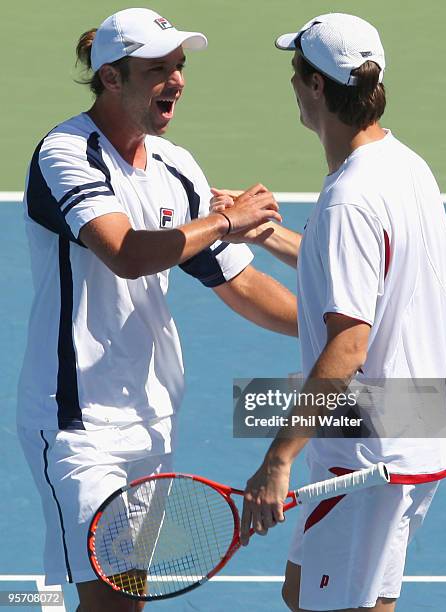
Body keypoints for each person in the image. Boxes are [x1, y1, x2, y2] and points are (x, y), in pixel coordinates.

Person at [16, 8, 298, 611]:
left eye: (179, 66)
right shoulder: (65, 153)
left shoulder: (176, 167)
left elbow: (236, 280)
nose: (176, 81)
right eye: (157, 70)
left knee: (129, 600)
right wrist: (226, 219)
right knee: (112, 602)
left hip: (152, 416)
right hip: (78, 423)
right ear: (111, 79)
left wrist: (335, 334)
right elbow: (125, 253)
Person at [213, 13, 446, 612]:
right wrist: (268, 233)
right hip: (416, 431)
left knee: (325, 603)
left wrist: (279, 457)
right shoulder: (405, 165)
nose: (292, 85)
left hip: (368, 451)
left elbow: (348, 347)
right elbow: (358, 272)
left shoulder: (349, 197)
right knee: (339, 596)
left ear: (317, 86)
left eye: (296, 72)